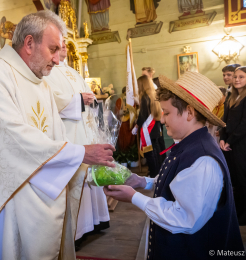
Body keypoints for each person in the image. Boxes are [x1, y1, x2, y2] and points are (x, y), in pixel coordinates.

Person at [0, 10, 115, 260]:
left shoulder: (42, 84)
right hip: (3, 203)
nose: (58, 60)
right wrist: (80, 153)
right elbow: (11, 138)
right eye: (53, 49)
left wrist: (79, 158)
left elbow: (56, 137)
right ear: (28, 43)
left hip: (38, 196)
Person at [104, 71, 244, 260]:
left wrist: (134, 198)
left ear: (190, 112)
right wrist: (142, 181)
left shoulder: (203, 159)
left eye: (167, 113)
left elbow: (183, 218)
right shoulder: (191, 143)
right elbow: (179, 181)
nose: (162, 119)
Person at [44, 38, 110, 249]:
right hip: (69, 133)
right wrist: (79, 100)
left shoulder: (73, 71)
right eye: (58, 44)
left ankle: (95, 221)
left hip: (84, 130)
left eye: (65, 44)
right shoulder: (48, 72)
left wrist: (88, 99)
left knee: (89, 175)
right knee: (77, 177)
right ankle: (78, 230)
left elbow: (85, 98)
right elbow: (50, 101)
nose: (63, 47)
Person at [220, 66, 246, 226]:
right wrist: (223, 138)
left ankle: (244, 215)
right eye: (235, 77)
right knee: (233, 179)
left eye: (241, 77)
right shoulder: (231, 97)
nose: (237, 79)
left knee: (243, 179)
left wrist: (230, 140)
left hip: (241, 144)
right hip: (228, 144)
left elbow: (244, 124)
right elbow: (224, 120)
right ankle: (236, 210)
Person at [132, 75, 163, 177]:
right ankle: (158, 172)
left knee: (150, 153)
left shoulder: (145, 97)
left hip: (149, 129)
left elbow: (143, 115)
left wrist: (136, 126)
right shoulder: (154, 94)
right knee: (156, 151)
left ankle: (154, 175)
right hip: (155, 127)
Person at [115, 86, 136, 152]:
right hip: (122, 123)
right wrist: (121, 112)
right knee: (122, 140)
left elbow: (135, 111)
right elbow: (116, 113)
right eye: (125, 94)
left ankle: (131, 154)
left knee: (131, 140)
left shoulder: (133, 101)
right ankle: (123, 153)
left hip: (130, 123)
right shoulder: (119, 100)